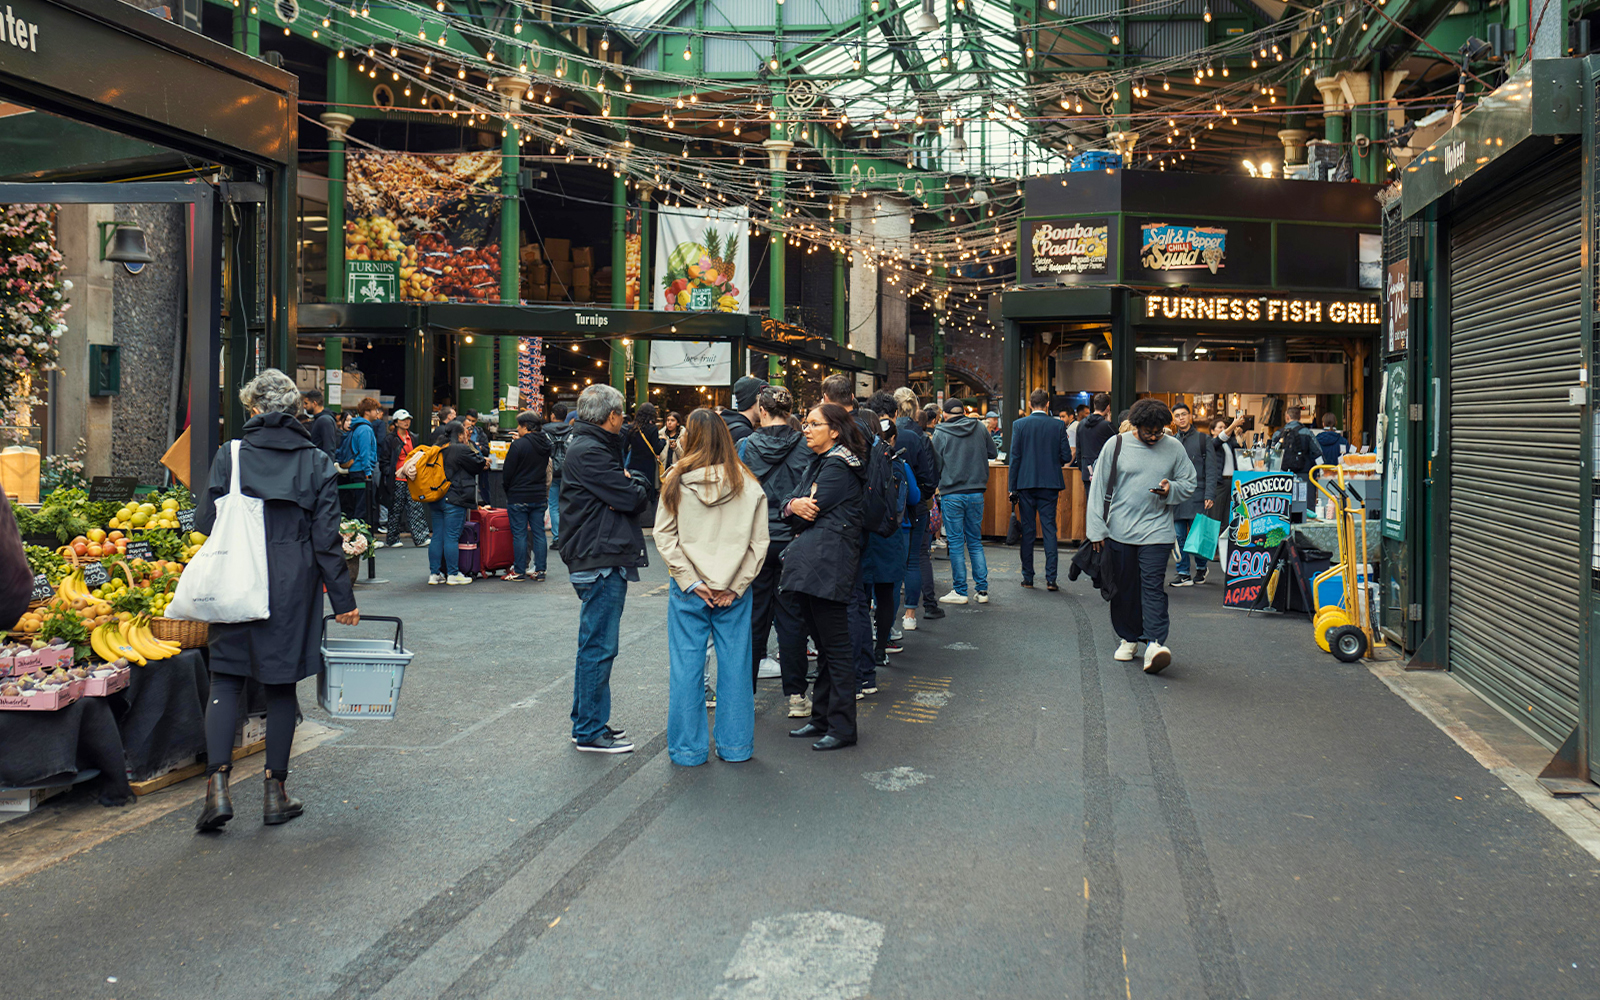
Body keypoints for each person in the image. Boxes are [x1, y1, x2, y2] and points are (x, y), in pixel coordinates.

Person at [193, 369, 359, 833]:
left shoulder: (232, 454)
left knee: (226, 679)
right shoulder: (317, 461)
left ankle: (217, 789)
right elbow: (328, 540)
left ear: (253, 409)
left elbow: (205, 522)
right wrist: (342, 599)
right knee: (281, 685)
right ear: (296, 410)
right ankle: (274, 792)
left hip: (235, 576)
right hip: (291, 581)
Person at [652, 410, 769, 766]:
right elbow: (758, 543)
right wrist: (735, 585)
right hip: (734, 588)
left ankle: (688, 751)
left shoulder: (675, 478)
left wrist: (692, 580)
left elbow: (664, 535)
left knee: (686, 666)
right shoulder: (748, 482)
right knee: (736, 666)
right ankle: (736, 747)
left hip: (690, 589)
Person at [560, 384, 651, 753]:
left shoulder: (587, 446)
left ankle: (586, 721)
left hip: (596, 552)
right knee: (599, 646)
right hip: (599, 556)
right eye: (622, 415)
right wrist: (638, 482)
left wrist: (630, 485)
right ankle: (589, 730)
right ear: (612, 416)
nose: (624, 421)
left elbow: (624, 496)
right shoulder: (592, 451)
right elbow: (630, 497)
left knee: (594, 645)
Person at [1086, 398, 1197, 675]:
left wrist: (1170, 488)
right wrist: (1096, 529)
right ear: (1136, 426)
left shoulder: (1173, 447)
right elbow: (1098, 488)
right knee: (1124, 588)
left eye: (1159, 430)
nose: (1154, 435)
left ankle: (1155, 643)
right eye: (1149, 430)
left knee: (1152, 587)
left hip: (1157, 532)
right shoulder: (1117, 444)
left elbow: (1189, 482)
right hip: (1120, 532)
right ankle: (1129, 638)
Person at [780, 403, 868, 751]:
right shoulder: (820, 462)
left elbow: (806, 514)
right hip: (817, 563)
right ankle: (822, 719)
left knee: (836, 647)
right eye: (806, 422)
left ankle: (843, 727)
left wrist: (795, 508)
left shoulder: (837, 466)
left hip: (830, 563)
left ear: (834, 430)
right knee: (826, 645)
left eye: (814, 423)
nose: (806, 428)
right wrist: (793, 504)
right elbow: (789, 503)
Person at [739, 385, 814, 715]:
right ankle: (797, 696)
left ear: (762, 410)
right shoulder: (805, 447)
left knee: (753, 619)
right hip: (793, 540)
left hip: (756, 541)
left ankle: (744, 695)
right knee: (792, 619)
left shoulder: (745, 447)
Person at [859, 414, 919, 681]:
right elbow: (913, 497)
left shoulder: (854, 460)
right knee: (886, 595)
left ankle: (860, 655)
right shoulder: (897, 462)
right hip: (890, 534)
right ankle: (881, 648)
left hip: (862, 535)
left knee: (860, 599)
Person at [931, 397, 997, 605]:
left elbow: (934, 463)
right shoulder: (979, 427)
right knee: (975, 541)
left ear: (945, 414)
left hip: (952, 493)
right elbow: (992, 452)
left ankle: (960, 591)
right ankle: (982, 590)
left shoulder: (940, 432)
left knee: (957, 543)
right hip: (977, 492)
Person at [1008, 388, 1073, 591]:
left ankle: (1028, 577)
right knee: (1049, 530)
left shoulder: (1019, 425)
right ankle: (1051, 579)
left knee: (1028, 531)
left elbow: (1015, 457)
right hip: (1050, 484)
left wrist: (1012, 487)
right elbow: (1065, 456)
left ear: (1029, 404)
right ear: (1047, 404)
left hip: (1025, 484)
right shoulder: (1058, 425)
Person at [893, 387, 939, 634]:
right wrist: (923, 494)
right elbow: (930, 476)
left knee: (889, 559)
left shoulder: (885, 432)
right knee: (914, 560)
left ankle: (884, 617)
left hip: (890, 507)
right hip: (917, 506)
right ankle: (910, 614)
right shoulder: (921, 438)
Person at [1169, 402, 1224, 587]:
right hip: (1176, 494)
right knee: (1179, 536)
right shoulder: (1171, 441)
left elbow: (1211, 469)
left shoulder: (1203, 439)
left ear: (1190, 416)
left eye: (1184, 414)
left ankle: (1201, 568)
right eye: (1177, 415)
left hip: (1198, 493)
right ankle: (1183, 572)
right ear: (1174, 419)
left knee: (1198, 535)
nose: (1181, 418)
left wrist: (1210, 494)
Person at [427, 420, 487, 586]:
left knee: (437, 536)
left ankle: (434, 573)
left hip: (436, 496)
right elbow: (478, 464)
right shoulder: (460, 449)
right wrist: (469, 445)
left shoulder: (437, 448)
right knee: (452, 536)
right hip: (454, 497)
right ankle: (453, 574)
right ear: (460, 435)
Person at [501, 410, 553, 582]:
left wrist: (507, 488)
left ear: (525, 427)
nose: (517, 428)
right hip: (538, 495)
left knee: (520, 534)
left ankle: (519, 570)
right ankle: (541, 570)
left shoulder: (518, 446)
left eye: (519, 426)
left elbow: (508, 471)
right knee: (539, 533)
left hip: (518, 495)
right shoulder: (545, 444)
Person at [383, 409, 430, 549]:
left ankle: (420, 537)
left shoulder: (414, 438)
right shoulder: (390, 439)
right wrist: (390, 473)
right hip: (396, 478)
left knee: (416, 507)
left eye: (408, 419)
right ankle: (392, 538)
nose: (406, 422)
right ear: (396, 422)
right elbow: (384, 460)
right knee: (395, 508)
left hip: (411, 478)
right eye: (403, 420)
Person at [338, 397, 382, 519]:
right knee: (363, 508)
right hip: (362, 472)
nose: (377, 412)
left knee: (359, 505)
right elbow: (365, 453)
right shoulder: (365, 429)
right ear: (367, 412)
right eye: (375, 410)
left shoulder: (358, 427)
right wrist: (368, 473)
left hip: (356, 470)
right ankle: (361, 536)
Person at [622, 403, 666, 498]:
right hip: (648, 465)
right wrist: (663, 441)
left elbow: (625, 447)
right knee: (648, 491)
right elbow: (657, 449)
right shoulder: (653, 429)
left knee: (635, 488)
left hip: (634, 463)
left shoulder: (631, 428)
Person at [1076, 393, 1116, 489]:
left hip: (1087, 471)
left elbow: (1079, 451)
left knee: (1090, 502)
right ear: (1108, 407)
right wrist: (1109, 422)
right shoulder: (1107, 426)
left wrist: (1083, 468)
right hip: (1104, 471)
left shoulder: (1081, 424)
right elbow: (1117, 445)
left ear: (1094, 406)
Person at [546, 402, 572, 549]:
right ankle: (568, 536)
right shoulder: (572, 430)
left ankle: (557, 538)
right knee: (568, 504)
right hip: (568, 472)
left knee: (554, 506)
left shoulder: (544, 430)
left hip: (551, 472)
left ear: (553, 415)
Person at [723, 376, 766, 447]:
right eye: (763, 398)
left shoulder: (727, 425)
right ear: (753, 400)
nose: (766, 403)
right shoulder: (744, 434)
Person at [302, 389, 338, 458]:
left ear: (315, 403)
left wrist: (328, 467)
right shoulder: (321, 420)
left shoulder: (324, 421)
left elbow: (329, 448)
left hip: (321, 464)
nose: (304, 406)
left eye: (306, 403)